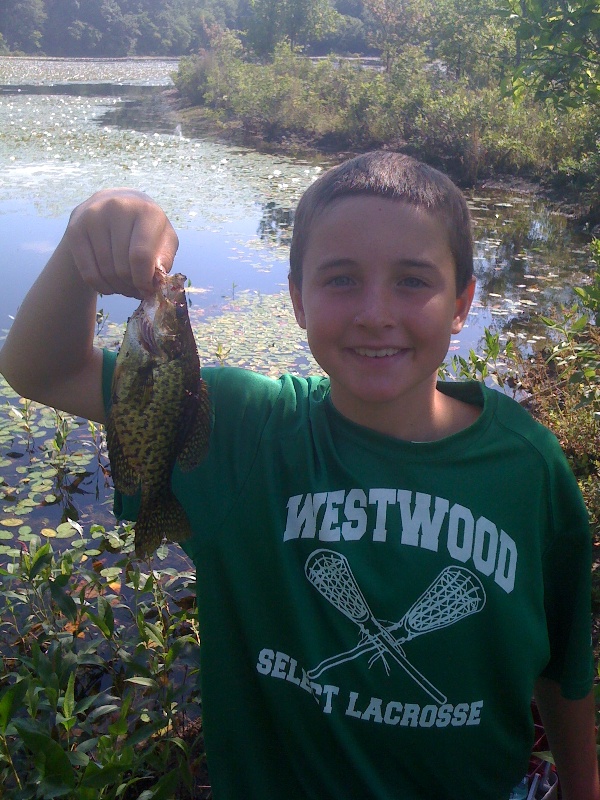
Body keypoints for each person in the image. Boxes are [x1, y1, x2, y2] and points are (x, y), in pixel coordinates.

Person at [0, 151, 598, 800]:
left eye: (412, 280)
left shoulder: (526, 466)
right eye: (340, 279)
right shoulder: (246, 427)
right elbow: (44, 368)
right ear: (296, 299)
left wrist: (581, 786)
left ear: (462, 304)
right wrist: (85, 232)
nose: (375, 312)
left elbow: (562, 667)